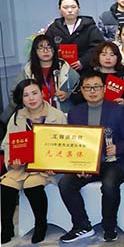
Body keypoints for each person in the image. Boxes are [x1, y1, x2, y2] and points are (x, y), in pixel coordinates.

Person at [59, 70, 124, 243]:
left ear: (104, 89)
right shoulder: (75, 113)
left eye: (96, 87)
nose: (92, 91)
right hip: (87, 163)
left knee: (109, 184)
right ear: (82, 90)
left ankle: (109, 226)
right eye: (88, 88)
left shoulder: (118, 110)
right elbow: (74, 144)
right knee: (65, 183)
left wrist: (118, 148)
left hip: (115, 162)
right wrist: (79, 165)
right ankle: (82, 226)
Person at [1, 80, 67, 244]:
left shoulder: (56, 115)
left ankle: (40, 225)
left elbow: (65, 143)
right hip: (21, 166)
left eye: (34, 93)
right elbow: (8, 143)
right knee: (6, 185)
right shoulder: (17, 117)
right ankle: (7, 226)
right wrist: (12, 161)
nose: (31, 98)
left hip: (44, 167)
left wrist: (55, 166)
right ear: (21, 99)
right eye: (26, 95)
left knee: (32, 185)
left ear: (42, 94)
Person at [16, 34, 80, 111]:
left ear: (54, 50)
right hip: (35, 114)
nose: (45, 51)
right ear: (35, 51)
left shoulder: (65, 68)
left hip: (62, 113)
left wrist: (67, 95)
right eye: (41, 47)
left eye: (49, 47)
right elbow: (15, 94)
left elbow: (79, 91)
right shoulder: (28, 71)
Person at [45, 0, 104, 71]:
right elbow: (46, 47)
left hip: (86, 70)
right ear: (59, 9)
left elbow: (99, 46)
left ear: (78, 8)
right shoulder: (53, 28)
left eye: (73, 7)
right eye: (65, 7)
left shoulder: (89, 27)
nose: (70, 10)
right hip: (60, 70)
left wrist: (83, 62)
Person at [87, 41, 124, 106]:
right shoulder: (91, 73)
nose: (108, 58)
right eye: (104, 55)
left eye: (112, 55)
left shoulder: (122, 73)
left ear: (117, 57)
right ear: (98, 56)